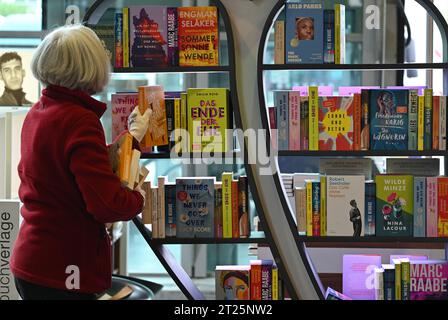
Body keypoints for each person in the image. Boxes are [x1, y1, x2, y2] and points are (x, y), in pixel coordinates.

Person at [10, 24, 151, 300]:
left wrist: (132, 138)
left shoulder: (39, 112)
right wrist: (139, 199)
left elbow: (80, 166)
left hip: (32, 260)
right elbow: (106, 205)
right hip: (64, 267)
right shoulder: (80, 120)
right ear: (91, 66)